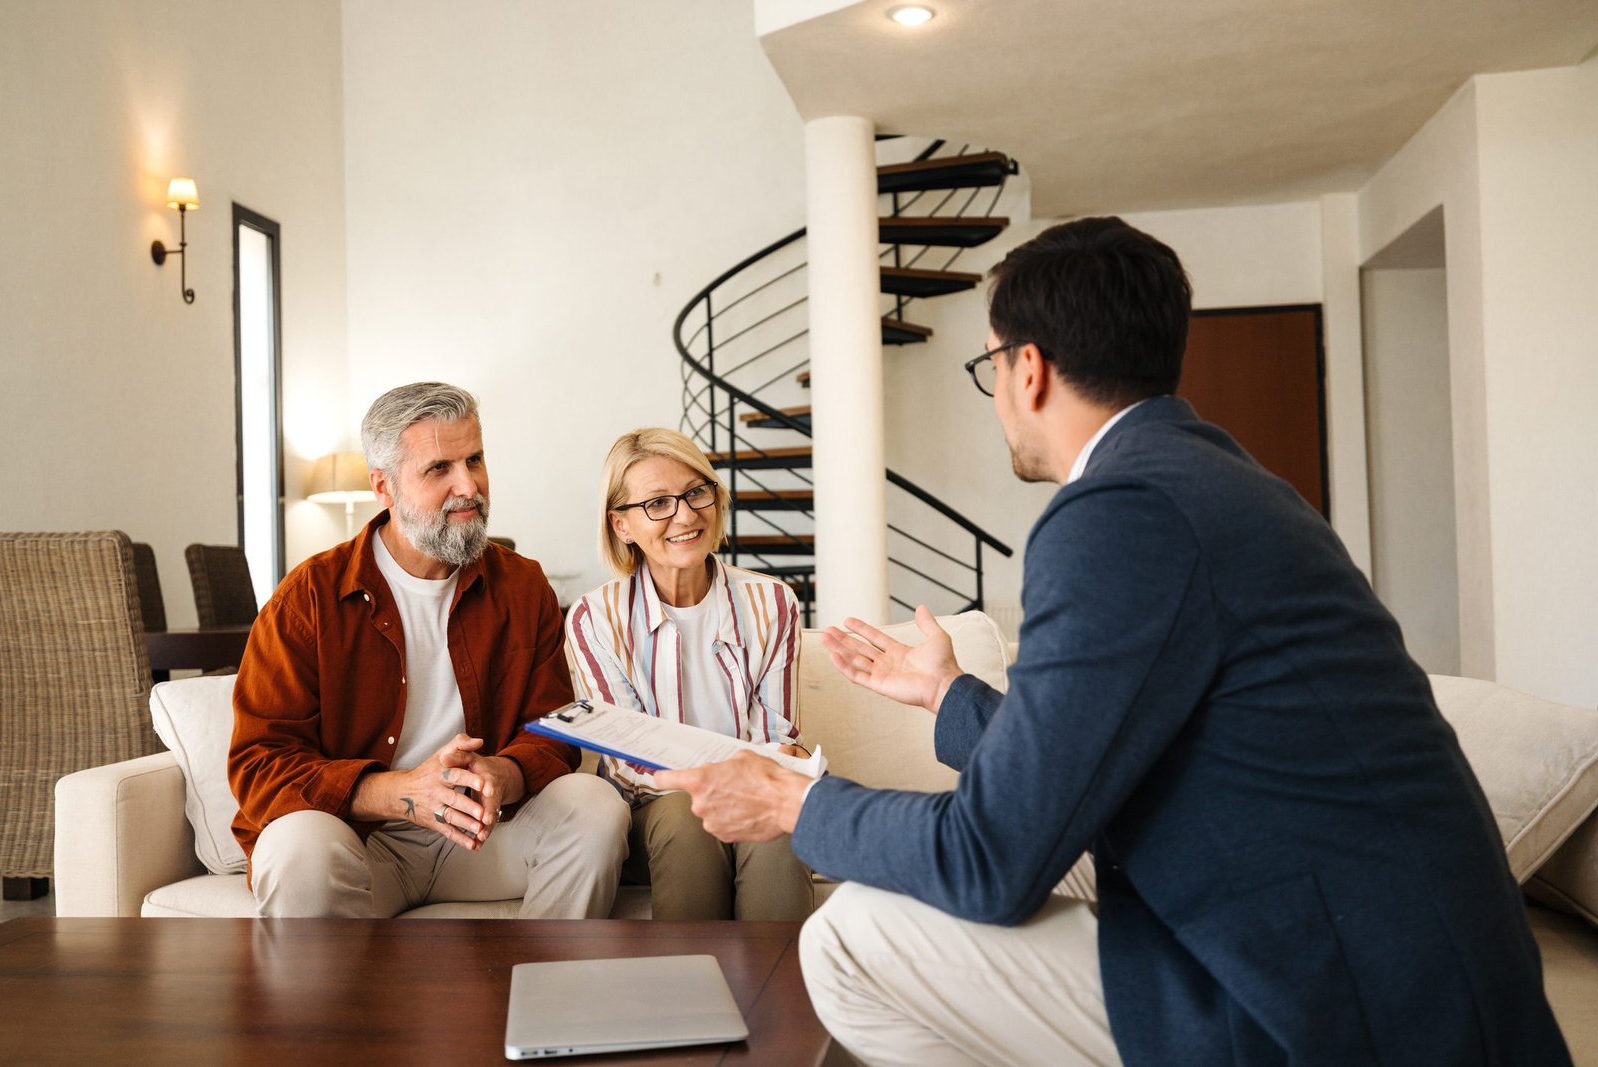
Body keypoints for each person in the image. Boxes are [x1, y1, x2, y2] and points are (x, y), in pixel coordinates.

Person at [656, 219, 1571, 1065]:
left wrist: (794, 803)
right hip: (1397, 972)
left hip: (1326, 1006)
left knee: (853, 935)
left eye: (988, 369)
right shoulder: (1219, 479)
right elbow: (1096, 752)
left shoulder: (1117, 513)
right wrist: (947, 697)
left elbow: (989, 860)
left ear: (1029, 369)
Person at [229, 382, 629, 919]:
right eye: (439, 469)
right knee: (296, 847)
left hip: (484, 837)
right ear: (384, 487)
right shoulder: (308, 599)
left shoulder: (523, 586)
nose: (469, 485)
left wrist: (501, 774)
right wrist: (398, 792)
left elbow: (554, 734)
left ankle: (545, 991)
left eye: (475, 459)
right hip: (362, 842)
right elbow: (260, 765)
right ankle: (332, 1008)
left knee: (596, 808)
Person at [564, 428, 811, 921]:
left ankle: (781, 991)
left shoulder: (773, 602)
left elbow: (776, 736)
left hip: (751, 792)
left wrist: (767, 772)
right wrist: (721, 781)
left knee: (778, 817)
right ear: (622, 525)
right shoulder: (595, 618)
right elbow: (630, 759)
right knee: (684, 814)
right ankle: (692, 992)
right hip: (654, 811)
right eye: (658, 503)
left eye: (696, 492)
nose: (685, 514)